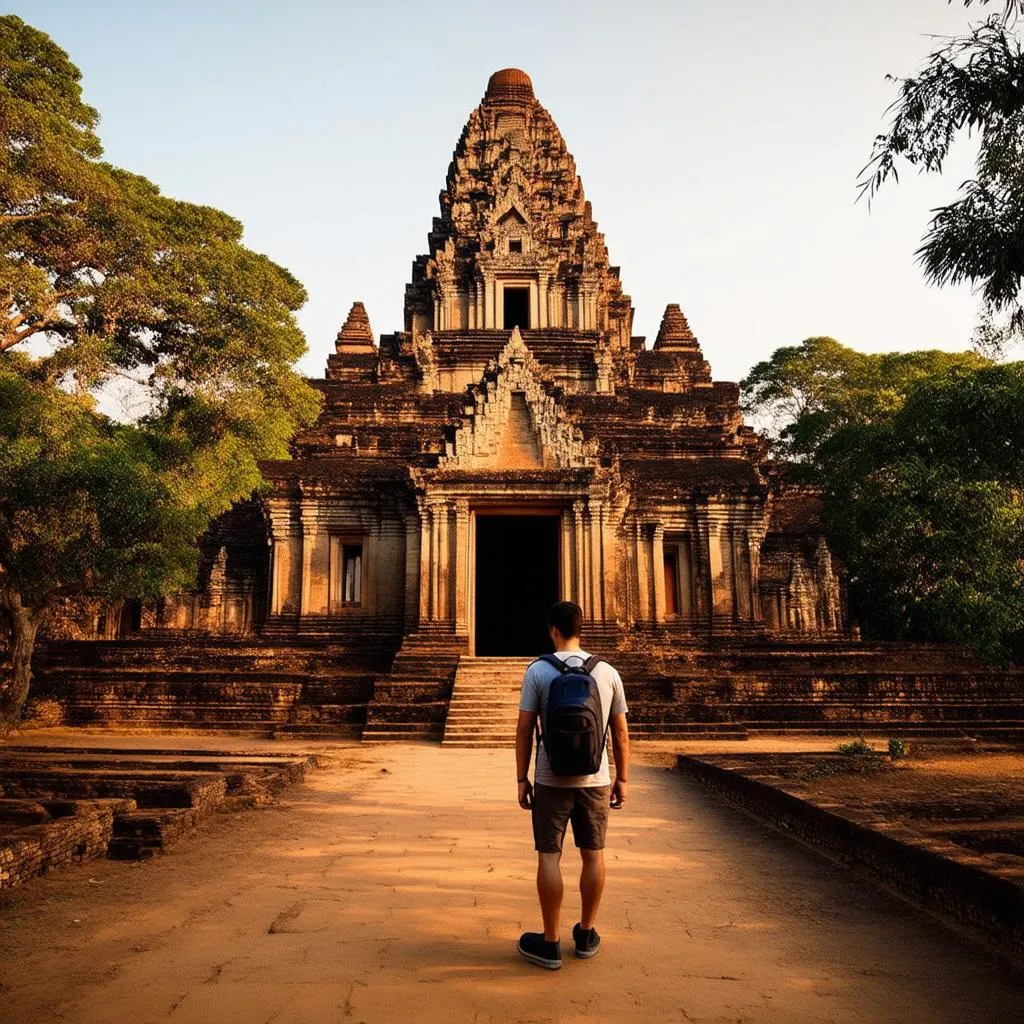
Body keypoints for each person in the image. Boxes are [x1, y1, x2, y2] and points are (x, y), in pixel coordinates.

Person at [514, 600, 630, 970]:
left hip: (550, 777)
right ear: (582, 628)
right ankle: (586, 933)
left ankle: (549, 943)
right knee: (592, 854)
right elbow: (621, 733)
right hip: (596, 778)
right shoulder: (608, 672)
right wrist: (623, 778)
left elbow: (524, 729)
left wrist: (522, 778)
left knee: (550, 856)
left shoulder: (538, 671)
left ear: (552, 630)